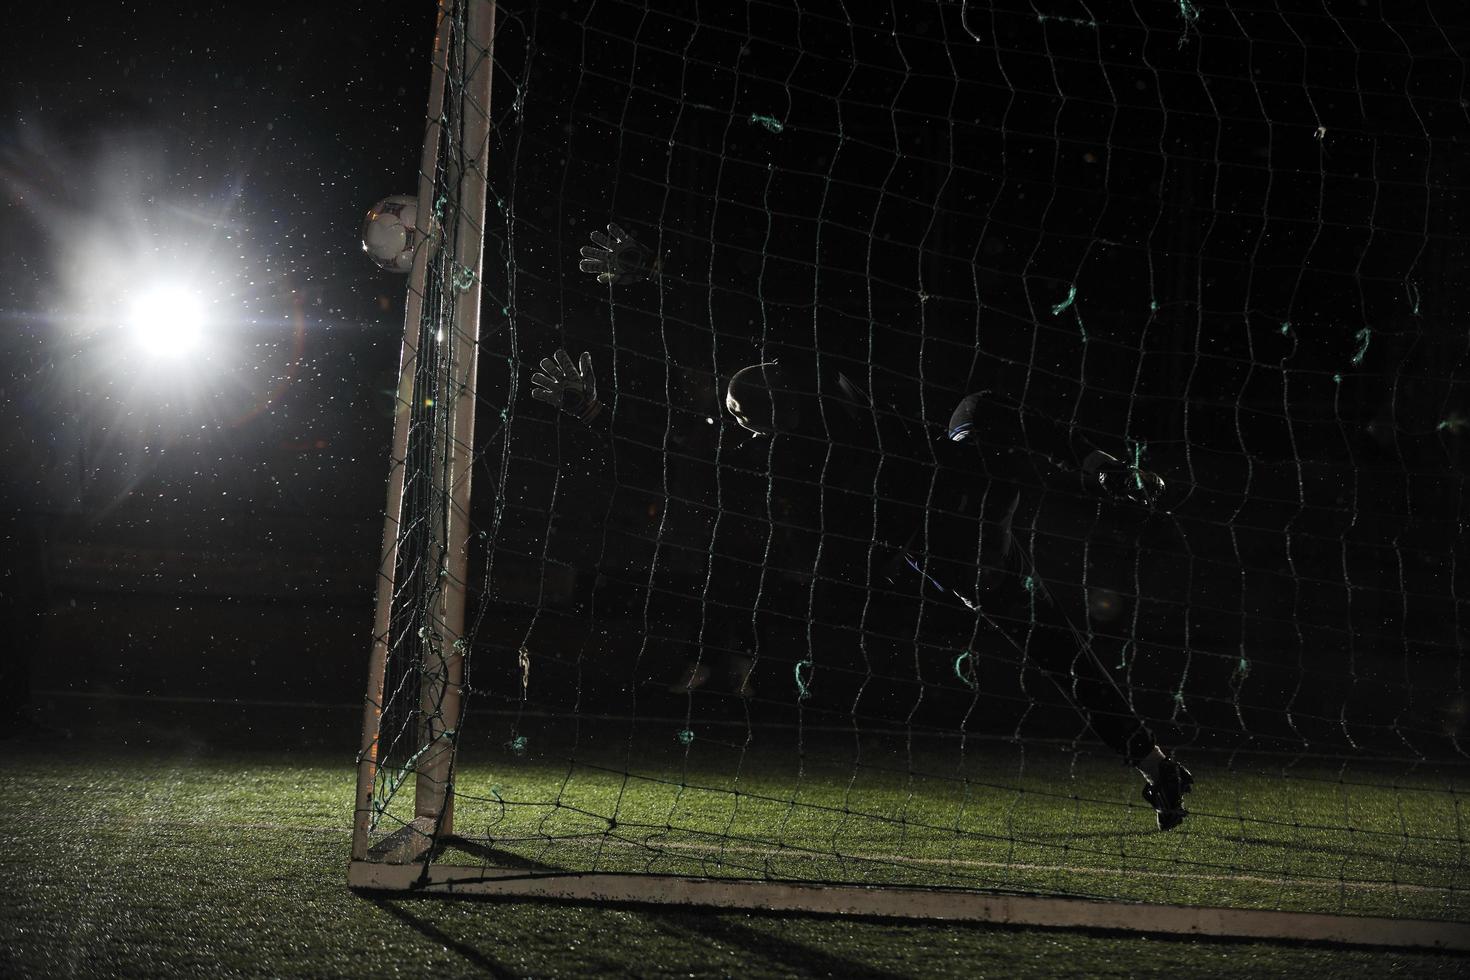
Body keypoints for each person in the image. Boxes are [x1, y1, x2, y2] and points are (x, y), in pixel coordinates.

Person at [535, 224, 1195, 830]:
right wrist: (657, 270)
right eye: (739, 404)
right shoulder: (802, 411)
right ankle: (1104, 476)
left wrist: (598, 405)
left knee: (1052, 643)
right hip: (958, 504)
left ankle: (1153, 761)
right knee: (984, 427)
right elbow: (735, 323)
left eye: (737, 401)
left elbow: (680, 429)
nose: (734, 404)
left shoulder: (793, 420)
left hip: (944, 537)